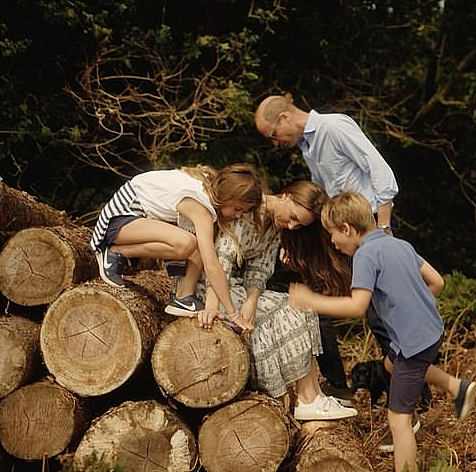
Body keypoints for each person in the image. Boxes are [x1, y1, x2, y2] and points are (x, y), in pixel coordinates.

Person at [289, 191, 476, 472]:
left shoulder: (365, 255)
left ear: (347, 229)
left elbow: (357, 306)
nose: (332, 242)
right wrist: (413, 305)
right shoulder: (397, 244)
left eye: (332, 235)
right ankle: (456, 386)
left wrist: (312, 300)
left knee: (398, 421)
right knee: (391, 364)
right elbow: (437, 282)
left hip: (413, 342)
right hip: (430, 331)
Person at [255, 94, 399, 405]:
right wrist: (299, 246)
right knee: (319, 303)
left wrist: (383, 230)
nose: (275, 143)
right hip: (339, 234)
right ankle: (337, 386)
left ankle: (412, 393)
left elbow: (381, 172)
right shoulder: (309, 147)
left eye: (272, 135)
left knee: (382, 316)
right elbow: (321, 199)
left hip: (368, 231)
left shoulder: (333, 129)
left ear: (284, 119)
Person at [196, 180, 357, 420]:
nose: (291, 226)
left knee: (302, 305)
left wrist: (251, 300)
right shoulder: (249, 209)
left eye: (298, 224)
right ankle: (307, 399)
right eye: (292, 216)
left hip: (234, 287)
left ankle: (312, 397)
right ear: (285, 196)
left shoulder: (275, 227)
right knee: (289, 307)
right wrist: (218, 306)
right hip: (209, 286)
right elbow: (221, 261)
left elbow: (260, 269)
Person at [89, 163, 261, 331]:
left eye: (243, 212)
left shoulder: (207, 197)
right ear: (227, 195)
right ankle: (115, 252)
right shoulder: (199, 205)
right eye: (237, 208)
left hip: (136, 223)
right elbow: (212, 265)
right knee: (186, 243)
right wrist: (233, 313)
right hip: (117, 222)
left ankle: (183, 296)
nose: (238, 216)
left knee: (198, 242)